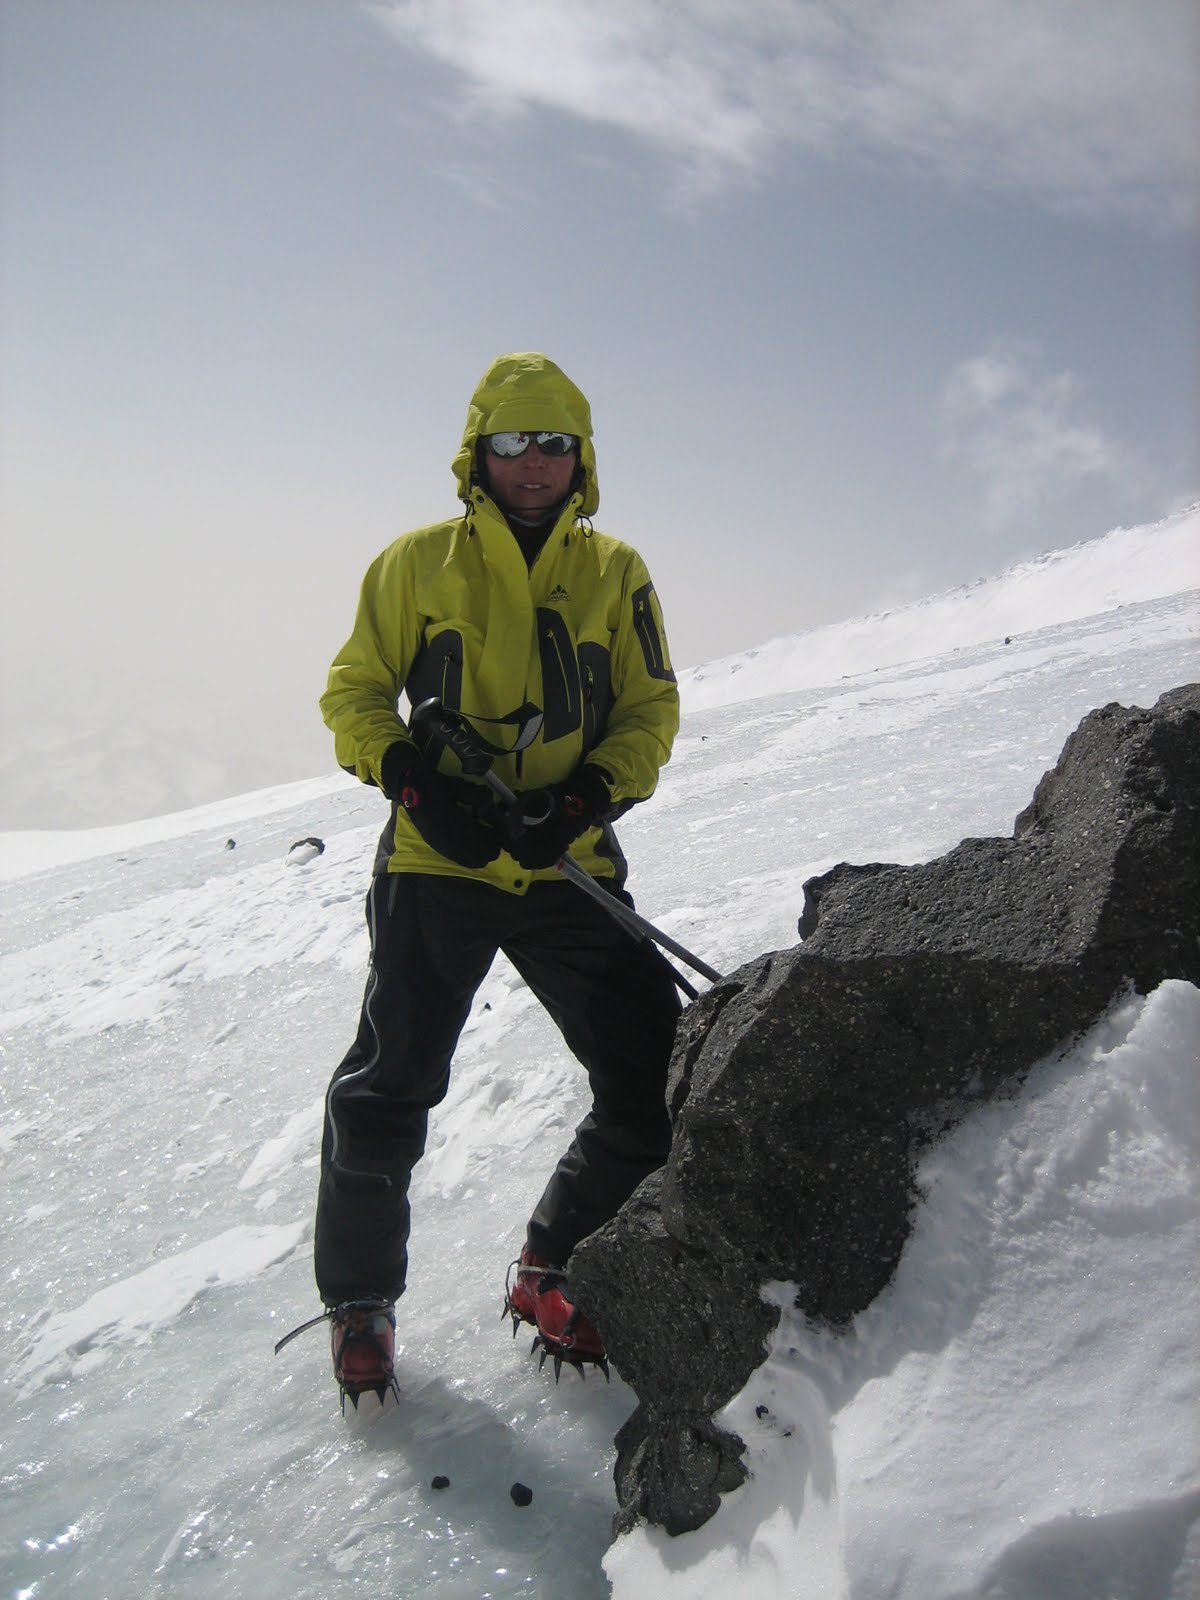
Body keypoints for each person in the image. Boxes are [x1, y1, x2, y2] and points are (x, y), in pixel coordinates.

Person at [311, 352, 682, 1406]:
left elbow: (649, 710)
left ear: (581, 457)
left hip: (568, 864)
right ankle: (361, 1302)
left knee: (652, 1075)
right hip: (438, 866)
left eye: (554, 443)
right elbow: (354, 693)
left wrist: (586, 798)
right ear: (478, 453)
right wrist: (415, 785)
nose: (533, 462)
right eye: (512, 441)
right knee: (388, 1088)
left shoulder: (617, 573)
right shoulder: (415, 564)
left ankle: (554, 1266)